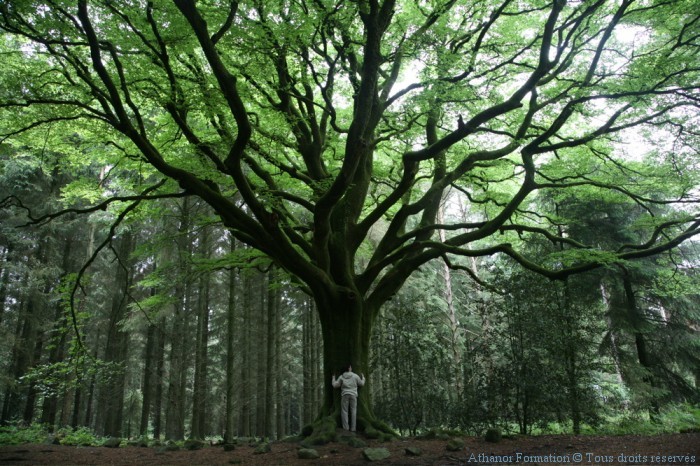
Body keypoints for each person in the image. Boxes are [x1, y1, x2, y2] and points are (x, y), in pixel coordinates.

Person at [331, 364, 365, 432]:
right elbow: (361, 384)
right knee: (353, 411)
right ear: (349, 368)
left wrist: (333, 378)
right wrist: (363, 378)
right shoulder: (355, 376)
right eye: (350, 367)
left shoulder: (341, 377)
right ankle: (353, 428)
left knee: (344, 411)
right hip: (353, 395)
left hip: (345, 395)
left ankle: (345, 428)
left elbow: (335, 385)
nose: (351, 368)